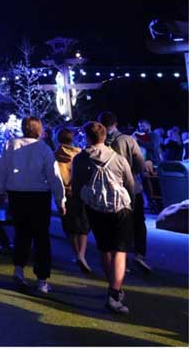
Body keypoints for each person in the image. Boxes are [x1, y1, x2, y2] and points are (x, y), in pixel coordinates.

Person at [72, 121, 137, 314]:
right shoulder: (117, 158)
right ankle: (114, 293)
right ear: (104, 137)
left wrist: (76, 208)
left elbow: (77, 186)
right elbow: (130, 183)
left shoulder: (81, 159)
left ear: (87, 137)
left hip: (95, 208)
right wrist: (131, 203)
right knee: (120, 251)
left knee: (105, 249)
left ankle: (113, 287)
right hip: (120, 208)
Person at [0, 116, 66, 294]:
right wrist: (60, 200)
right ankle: (42, 279)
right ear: (39, 130)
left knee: (21, 232)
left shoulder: (11, 145)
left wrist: (1, 191)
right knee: (41, 236)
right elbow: (53, 175)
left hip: (17, 194)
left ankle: (19, 269)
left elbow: (2, 169)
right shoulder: (43, 148)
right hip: (39, 195)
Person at [100, 111, 151, 273]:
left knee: (116, 225)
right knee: (137, 222)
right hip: (131, 188)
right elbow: (140, 164)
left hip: (108, 190)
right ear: (116, 122)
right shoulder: (128, 140)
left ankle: (121, 258)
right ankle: (139, 254)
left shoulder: (98, 142)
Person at [54, 127, 91, 274]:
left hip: (65, 194)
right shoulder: (80, 154)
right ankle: (82, 254)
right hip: (80, 193)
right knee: (83, 226)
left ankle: (76, 253)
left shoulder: (54, 156)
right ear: (72, 139)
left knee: (69, 226)